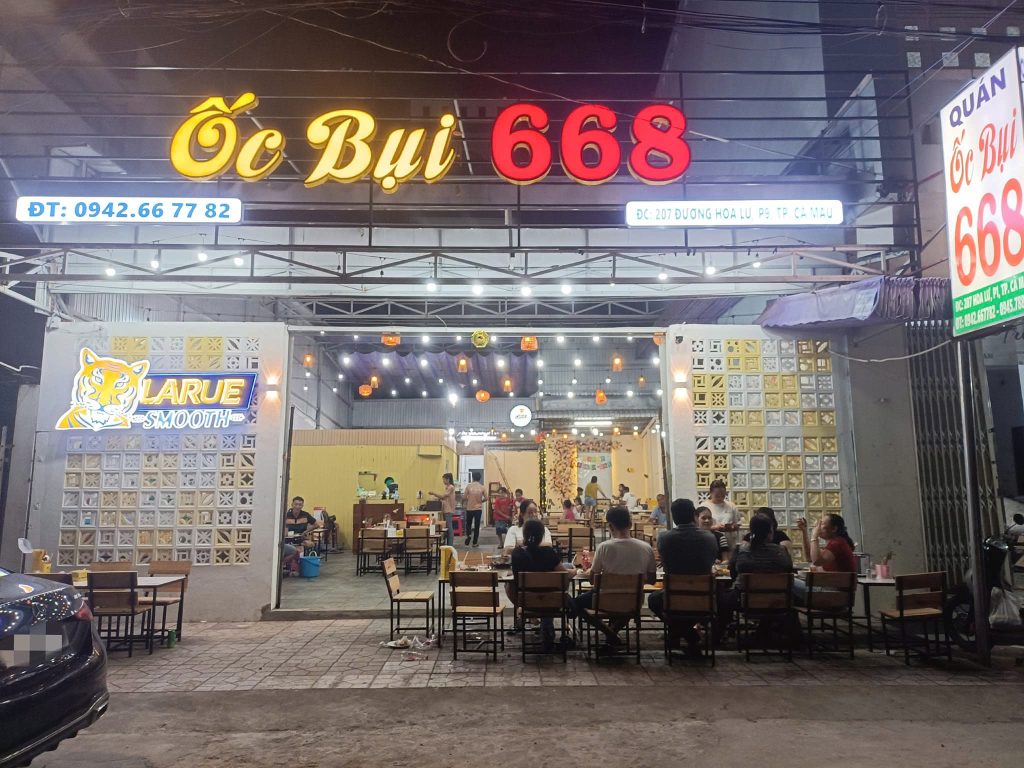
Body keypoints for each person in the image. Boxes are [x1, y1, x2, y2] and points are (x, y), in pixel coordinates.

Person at [571, 506, 656, 649]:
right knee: (625, 605)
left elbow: (592, 580)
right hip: (634, 601)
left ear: (610, 526)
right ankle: (613, 632)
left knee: (575, 603)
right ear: (630, 524)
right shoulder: (646, 548)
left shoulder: (604, 547)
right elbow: (652, 580)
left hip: (604, 600)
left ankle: (609, 633)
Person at [649, 498, 719, 657]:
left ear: (673, 517)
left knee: (654, 599)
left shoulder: (665, 538)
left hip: (674, 597)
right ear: (694, 515)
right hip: (704, 598)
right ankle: (688, 635)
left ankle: (681, 634)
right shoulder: (709, 538)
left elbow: (665, 562)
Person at [723, 513, 795, 643]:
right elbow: (788, 569)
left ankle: (719, 636)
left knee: (721, 599)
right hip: (777, 601)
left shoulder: (741, 550)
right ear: (770, 532)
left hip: (744, 600)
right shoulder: (781, 551)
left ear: (751, 531)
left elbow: (732, 573)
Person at [511, 519, 572, 650]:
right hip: (552, 603)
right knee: (551, 591)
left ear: (524, 534)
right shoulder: (548, 552)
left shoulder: (516, 554)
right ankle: (548, 630)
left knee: (509, 586)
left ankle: (540, 626)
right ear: (542, 535)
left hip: (527, 602)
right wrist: (575, 571)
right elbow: (564, 575)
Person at [706, 479, 740, 551]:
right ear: (710, 493)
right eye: (717, 495)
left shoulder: (731, 506)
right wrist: (715, 528)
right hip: (711, 544)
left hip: (729, 544)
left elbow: (737, 524)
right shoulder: (704, 507)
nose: (720, 498)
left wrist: (731, 527)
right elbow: (699, 528)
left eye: (723, 495)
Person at [429, 473, 457, 546]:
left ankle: (450, 545)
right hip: (446, 510)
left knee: (449, 528)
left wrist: (433, 493)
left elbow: (443, 497)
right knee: (447, 528)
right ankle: (448, 544)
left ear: (448, 479)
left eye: (444, 479)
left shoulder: (451, 487)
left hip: (448, 510)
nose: (443, 481)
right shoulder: (447, 487)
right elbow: (444, 498)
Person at [463, 476, 485, 548]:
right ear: (480, 478)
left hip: (469, 508)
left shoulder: (468, 486)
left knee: (468, 524)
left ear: (472, 478)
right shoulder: (482, 487)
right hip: (478, 509)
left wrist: (467, 501)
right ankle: (475, 542)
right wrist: (480, 501)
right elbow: (487, 498)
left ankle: (469, 535)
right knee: (477, 525)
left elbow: (464, 497)